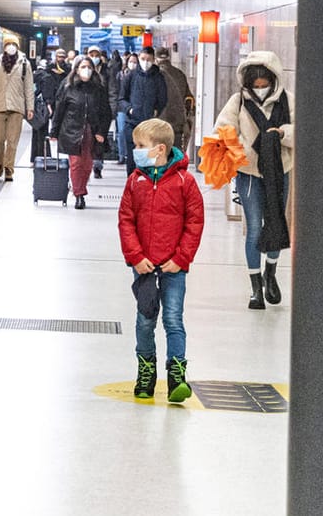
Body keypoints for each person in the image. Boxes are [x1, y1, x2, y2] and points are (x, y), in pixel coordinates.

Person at [118, 117, 203, 402]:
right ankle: (146, 370)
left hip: (174, 267)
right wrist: (135, 257)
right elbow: (126, 221)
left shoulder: (185, 182)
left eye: (141, 146)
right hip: (144, 268)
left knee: (173, 319)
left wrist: (181, 258)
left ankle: (177, 374)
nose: (136, 151)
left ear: (161, 149)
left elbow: (194, 223)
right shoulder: (135, 181)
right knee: (145, 320)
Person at [212, 51, 295, 310]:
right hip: (249, 173)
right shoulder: (237, 102)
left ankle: (271, 273)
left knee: (276, 222)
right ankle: (255, 287)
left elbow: (303, 131)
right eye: (255, 86)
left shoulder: (288, 101)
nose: (260, 90)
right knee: (254, 229)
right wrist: (242, 150)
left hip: (280, 170)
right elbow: (222, 131)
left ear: (274, 80)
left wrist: (281, 133)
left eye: (264, 85)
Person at [52, 56, 112, 209]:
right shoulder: (68, 87)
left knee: (87, 164)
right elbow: (59, 111)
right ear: (76, 70)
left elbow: (106, 113)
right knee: (76, 163)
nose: (86, 70)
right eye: (83, 67)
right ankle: (79, 194)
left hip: (92, 131)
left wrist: (102, 133)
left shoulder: (99, 89)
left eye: (89, 67)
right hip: (72, 130)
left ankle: (80, 187)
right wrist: (54, 131)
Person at [0, 36, 34, 181]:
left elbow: (29, 87)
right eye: (8, 44)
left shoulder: (25, 64)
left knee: (13, 141)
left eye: (14, 44)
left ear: (18, 47)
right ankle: (0, 161)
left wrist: (30, 107)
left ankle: (9, 169)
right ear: (4, 47)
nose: (11, 46)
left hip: (17, 107)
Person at [119, 48, 168, 153]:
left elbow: (163, 98)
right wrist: (129, 109)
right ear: (139, 58)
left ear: (153, 60)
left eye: (149, 59)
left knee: (148, 156)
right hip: (132, 122)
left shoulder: (158, 77)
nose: (145, 62)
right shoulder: (130, 76)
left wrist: (156, 111)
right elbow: (122, 98)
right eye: (143, 59)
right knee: (133, 156)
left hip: (150, 124)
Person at [156, 49, 195, 158]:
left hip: (158, 122)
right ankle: (173, 173)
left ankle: (159, 174)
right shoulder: (180, 74)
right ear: (169, 58)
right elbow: (188, 98)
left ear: (156, 59)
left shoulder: (155, 75)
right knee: (175, 154)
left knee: (158, 155)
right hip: (176, 123)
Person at [85, 46, 110, 178]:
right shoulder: (82, 69)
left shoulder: (106, 70)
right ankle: (87, 167)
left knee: (99, 140)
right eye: (91, 54)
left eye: (96, 54)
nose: (94, 57)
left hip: (101, 110)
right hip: (86, 111)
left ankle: (97, 167)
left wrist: (111, 109)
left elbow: (111, 90)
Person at [111, 51, 133, 166]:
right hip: (122, 107)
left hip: (135, 107)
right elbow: (115, 91)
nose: (133, 64)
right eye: (131, 62)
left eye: (135, 62)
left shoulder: (139, 76)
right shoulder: (120, 75)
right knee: (122, 131)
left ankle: (131, 155)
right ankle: (121, 155)